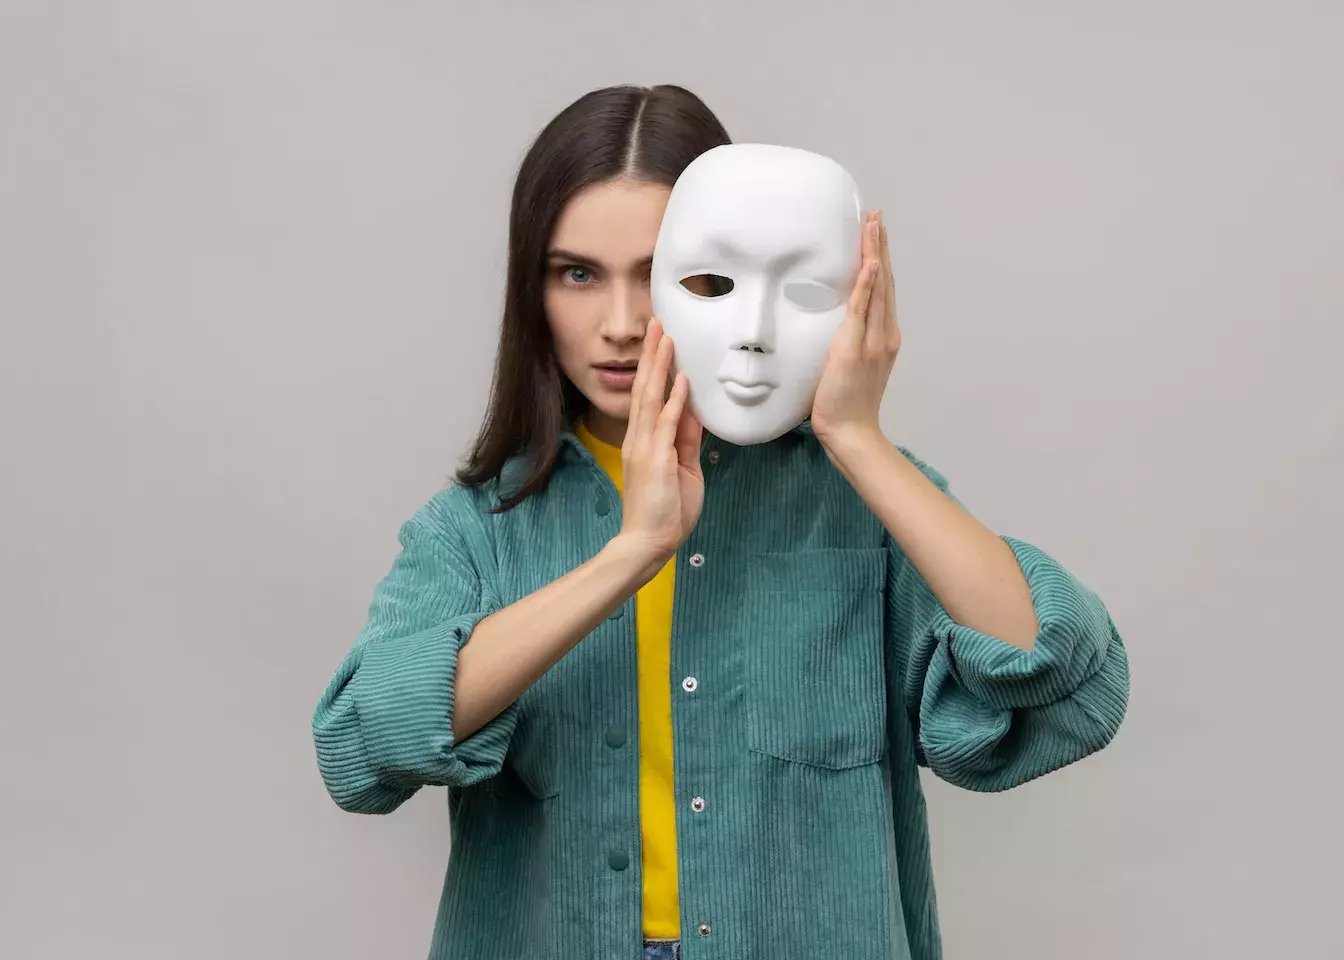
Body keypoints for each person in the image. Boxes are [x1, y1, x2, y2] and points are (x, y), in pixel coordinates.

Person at [311, 83, 1130, 960]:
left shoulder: (860, 505)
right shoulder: (477, 528)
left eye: (660, 274)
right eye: (576, 273)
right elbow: (364, 746)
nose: (620, 325)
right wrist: (632, 553)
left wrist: (856, 438)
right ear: (531, 287)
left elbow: (1069, 691)